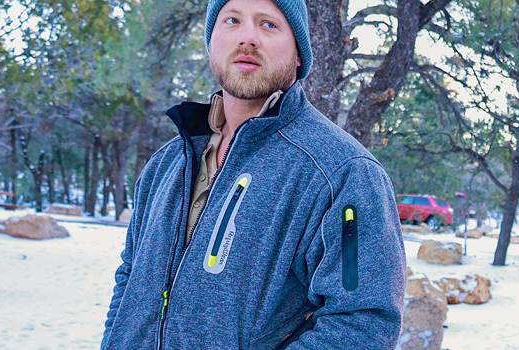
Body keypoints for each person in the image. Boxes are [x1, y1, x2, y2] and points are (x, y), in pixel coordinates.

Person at [101, 0, 406, 348]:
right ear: (212, 40)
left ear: (298, 54)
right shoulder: (165, 165)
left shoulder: (345, 175)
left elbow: (363, 321)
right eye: (232, 20)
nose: (248, 38)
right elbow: (129, 279)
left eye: (268, 25)